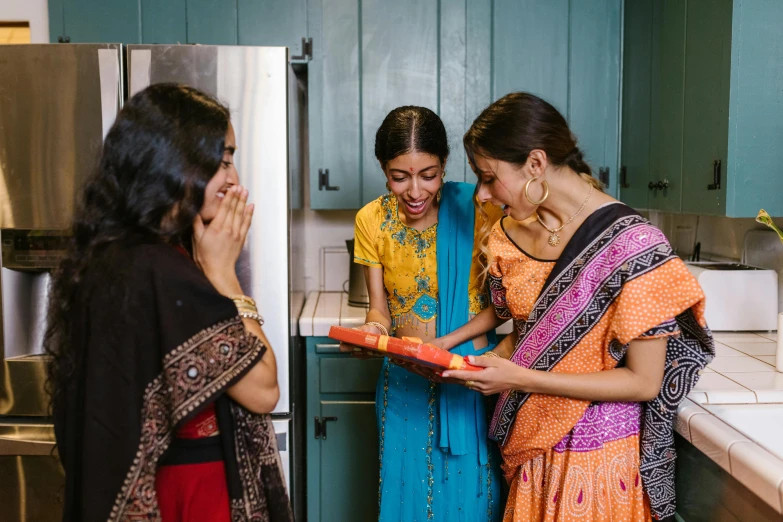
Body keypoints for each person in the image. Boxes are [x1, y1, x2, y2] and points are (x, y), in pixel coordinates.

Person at [442, 92, 714, 522]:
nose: (482, 194)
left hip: (597, 458)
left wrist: (519, 377)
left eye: (489, 177)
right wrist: (470, 366)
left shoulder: (635, 246)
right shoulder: (509, 234)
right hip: (532, 456)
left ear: (535, 164)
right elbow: (528, 337)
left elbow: (644, 382)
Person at [45, 83, 293, 522]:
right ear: (178, 163)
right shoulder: (160, 270)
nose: (234, 178)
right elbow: (263, 390)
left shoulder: (113, 253)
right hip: (189, 495)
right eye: (223, 160)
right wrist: (225, 278)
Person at [341, 106, 504, 521]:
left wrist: (444, 346)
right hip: (403, 381)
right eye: (400, 177)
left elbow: (501, 309)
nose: (415, 191)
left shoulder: (479, 207)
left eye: (428, 175)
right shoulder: (372, 220)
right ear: (383, 169)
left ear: (445, 164)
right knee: (406, 498)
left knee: (469, 500)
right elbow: (379, 307)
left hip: (467, 375)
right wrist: (372, 333)